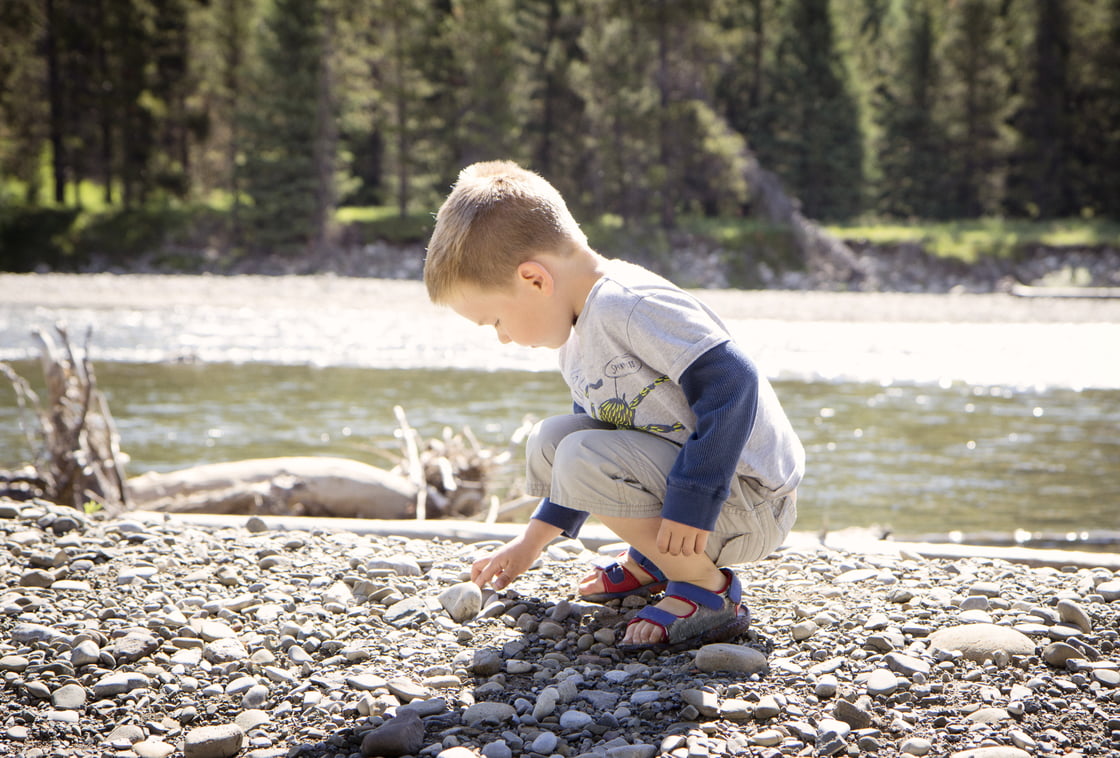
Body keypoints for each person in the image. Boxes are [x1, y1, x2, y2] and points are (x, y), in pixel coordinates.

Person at [423, 160, 804, 652]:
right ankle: (655, 560)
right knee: (554, 441)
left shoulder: (627, 304)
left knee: (581, 454)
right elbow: (594, 442)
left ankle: (707, 592)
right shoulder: (577, 330)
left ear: (535, 280)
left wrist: (693, 503)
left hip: (750, 501)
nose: (502, 338)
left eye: (496, 320)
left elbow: (735, 382)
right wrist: (531, 541)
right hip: (708, 497)